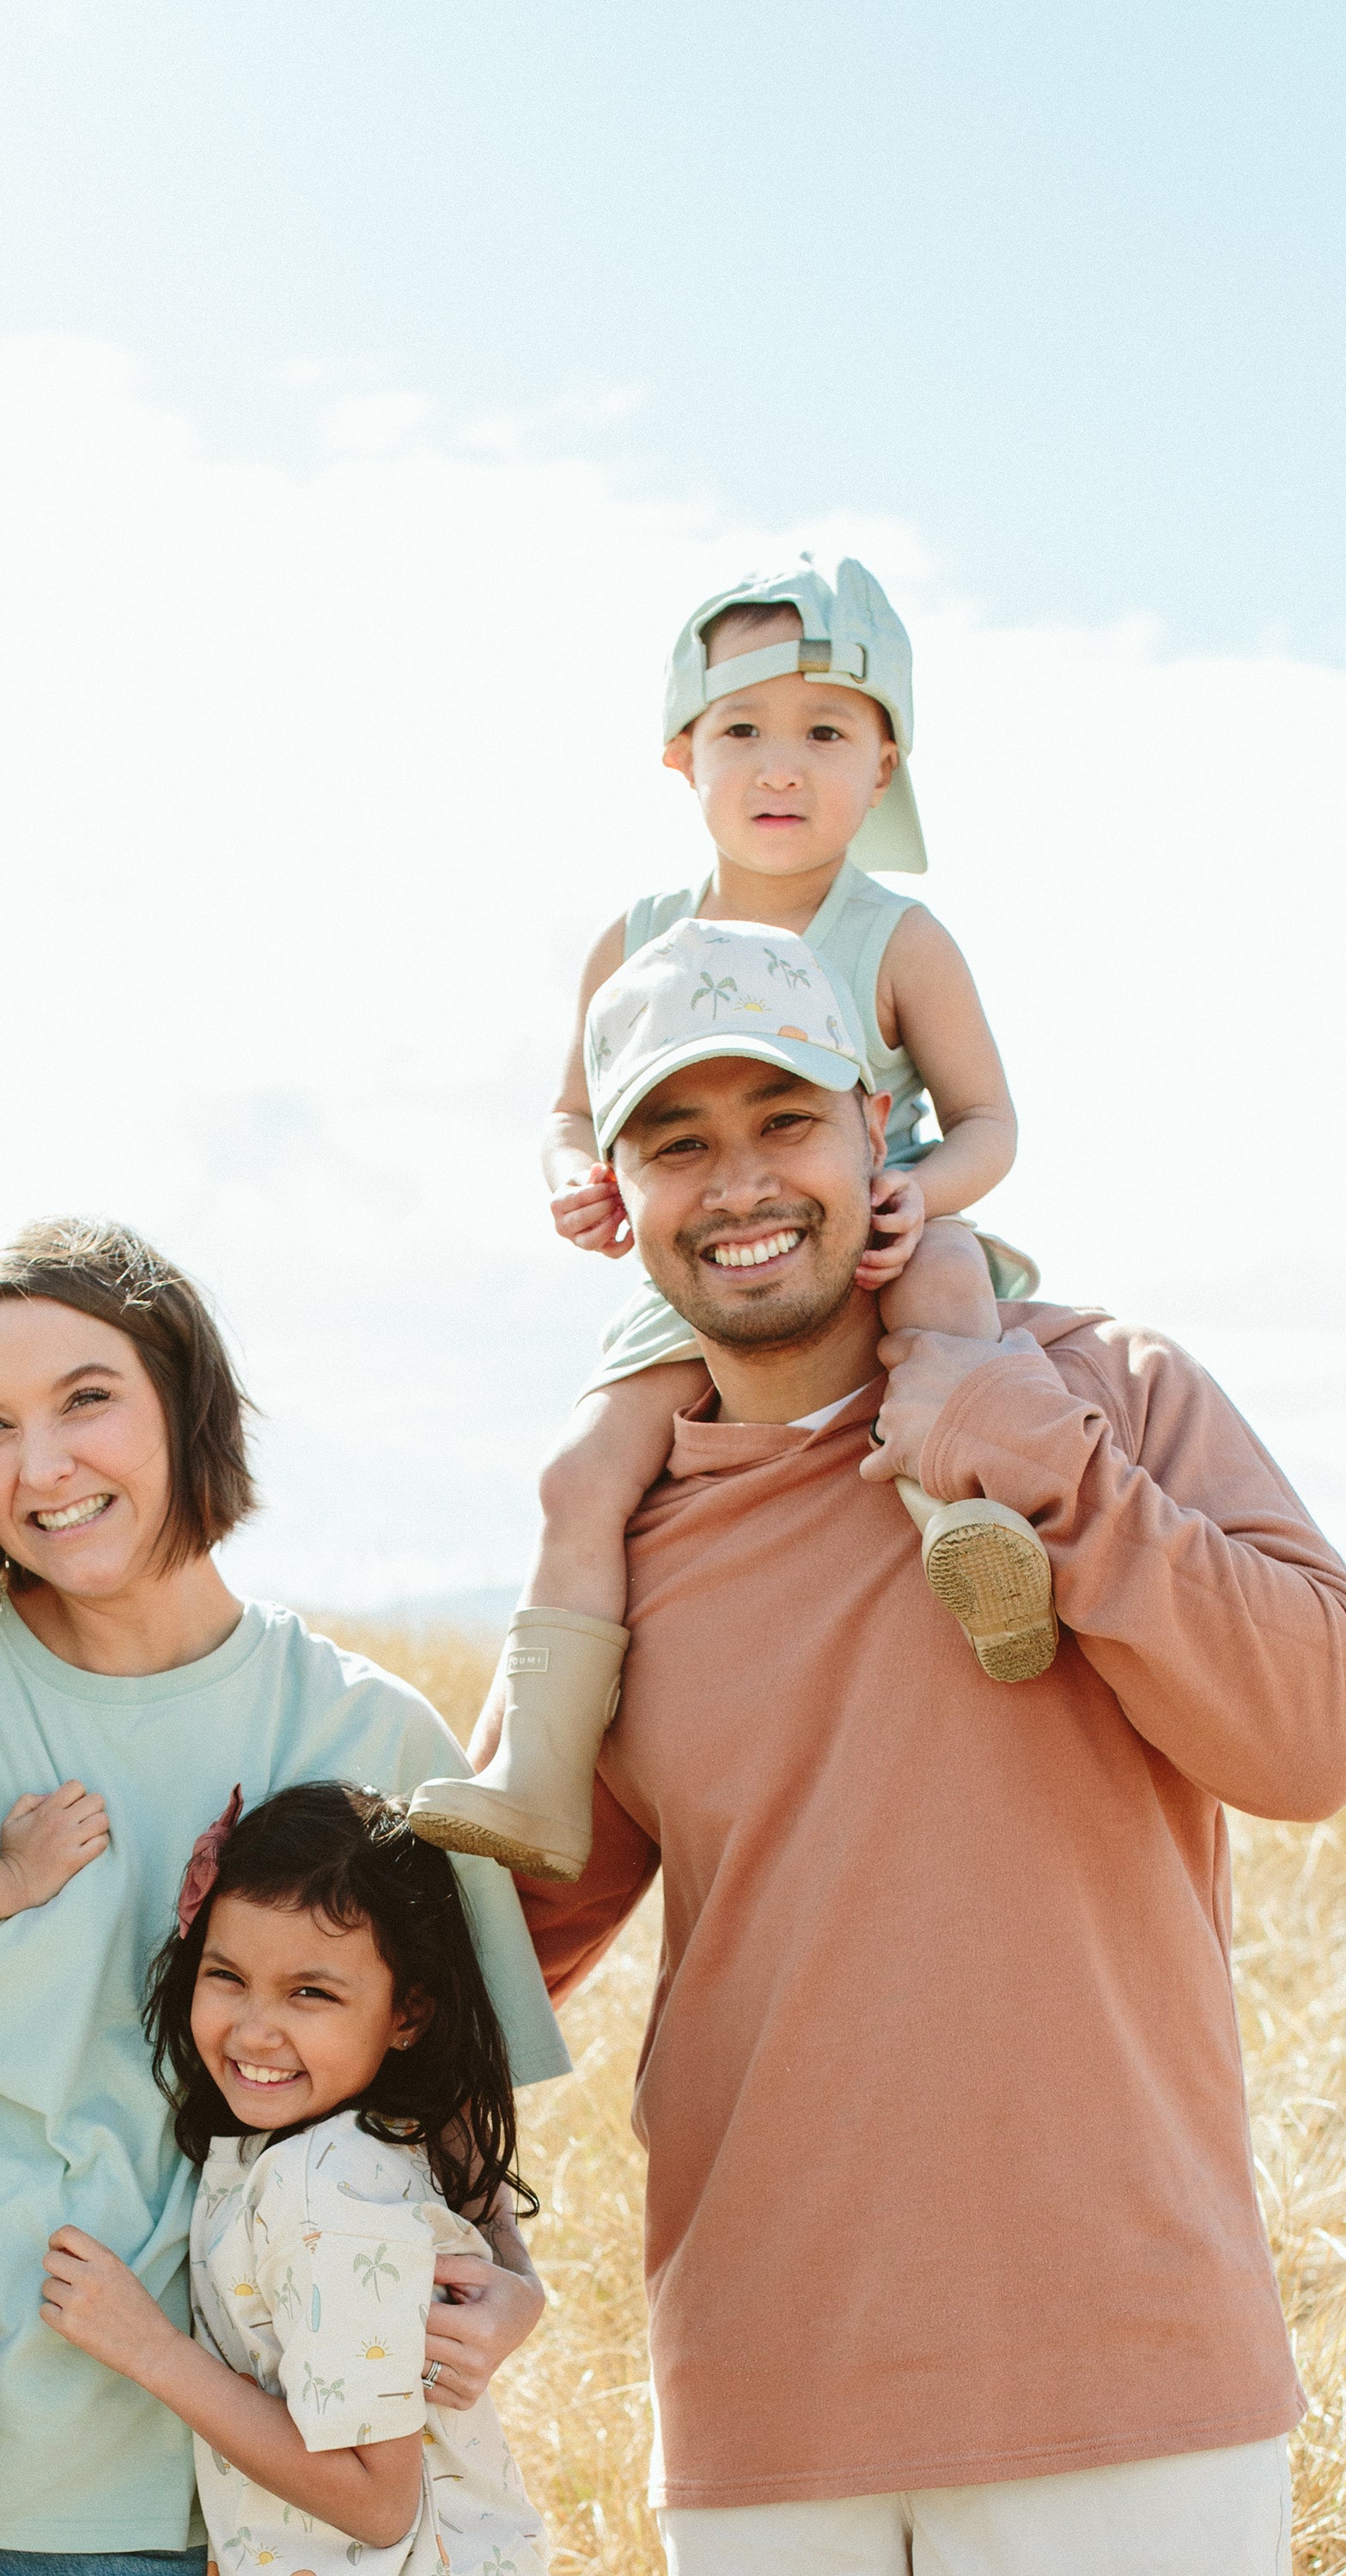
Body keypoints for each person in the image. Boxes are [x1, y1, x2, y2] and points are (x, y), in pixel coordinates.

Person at [502, 928, 1346, 2575]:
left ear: (877, 1130)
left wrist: (1045, 1466)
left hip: (1133, 2402)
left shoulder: (1105, 1389)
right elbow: (493, 1941)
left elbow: (1318, 1738)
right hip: (768, 2424)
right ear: (620, 1196)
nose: (739, 1182)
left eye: (784, 1120)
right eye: (677, 1143)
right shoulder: (628, 1524)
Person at [408, 556, 1057, 1886]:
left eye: (827, 732)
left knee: (944, 1303)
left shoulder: (899, 938)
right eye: (743, 730)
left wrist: (916, 1196)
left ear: (884, 768)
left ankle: (962, 1531)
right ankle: (536, 1777)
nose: (782, 765)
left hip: (876, 1223)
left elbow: (992, 1122)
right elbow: (571, 1112)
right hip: (710, 1261)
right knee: (583, 1474)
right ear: (679, 758)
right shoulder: (637, 941)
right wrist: (572, 1175)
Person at [0, 1217, 569, 2573]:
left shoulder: (371, 1739)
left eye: (87, 1400)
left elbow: (458, 2126)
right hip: (30, 2478)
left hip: (300, 2499)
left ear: (187, 1404)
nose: (39, 1465)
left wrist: (519, 2298)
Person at [40, 1781, 548, 2576]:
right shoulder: (299, 2155)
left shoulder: (331, 2184)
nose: (254, 2029)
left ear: (407, 2014)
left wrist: (149, 2350)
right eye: (227, 1976)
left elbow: (377, 2506)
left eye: (311, 1992)